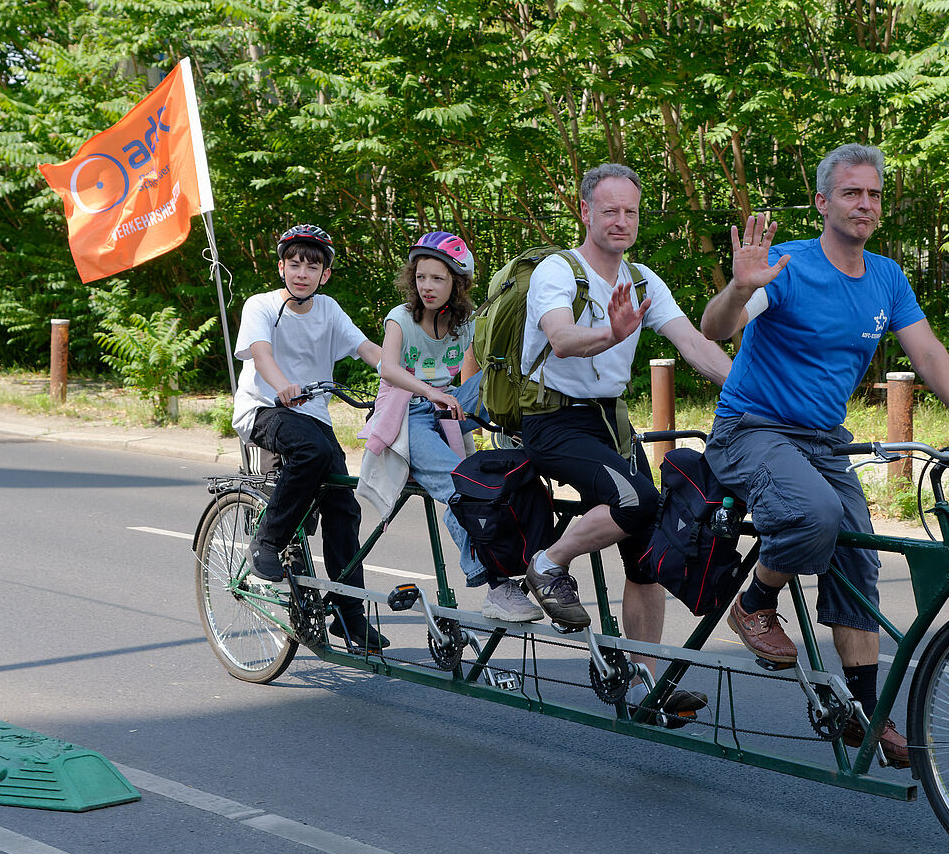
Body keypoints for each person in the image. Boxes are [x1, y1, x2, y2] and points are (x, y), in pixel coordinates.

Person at [699, 144, 949, 765]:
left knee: (859, 556)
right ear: (822, 202)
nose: (864, 204)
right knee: (815, 516)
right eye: (851, 192)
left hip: (822, 441)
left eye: (872, 194)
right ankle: (754, 603)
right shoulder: (786, 265)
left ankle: (863, 712)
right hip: (751, 430)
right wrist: (739, 288)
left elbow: (925, 354)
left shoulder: (887, 277)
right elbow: (716, 329)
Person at [519, 163, 733, 719]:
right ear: (585, 212)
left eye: (630, 212)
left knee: (648, 553)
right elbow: (561, 339)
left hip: (610, 422)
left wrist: (754, 391)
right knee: (638, 500)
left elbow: (693, 344)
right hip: (552, 420)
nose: (621, 221)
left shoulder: (641, 281)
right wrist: (609, 334)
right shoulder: (557, 271)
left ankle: (643, 682)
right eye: (609, 210)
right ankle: (547, 563)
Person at [231, 223, 388, 651]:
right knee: (311, 450)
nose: (302, 272)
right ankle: (268, 540)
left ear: (325, 275)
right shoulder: (260, 305)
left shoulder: (329, 310)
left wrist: (406, 380)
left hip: (313, 417)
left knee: (344, 506)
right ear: (281, 267)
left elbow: (368, 350)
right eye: (295, 263)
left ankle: (347, 614)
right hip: (265, 409)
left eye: (312, 266)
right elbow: (261, 353)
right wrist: (282, 384)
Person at [375, 231, 544, 623]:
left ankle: (539, 435)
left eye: (438, 278)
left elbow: (481, 374)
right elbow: (388, 368)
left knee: (499, 376)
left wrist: (488, 409)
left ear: (457, 282)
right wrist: (432, 394)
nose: (427, 287)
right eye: (421, 277)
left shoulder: (463, 324)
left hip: (447, 405)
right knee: (459, 487)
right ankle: (496, 586)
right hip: (407, 414)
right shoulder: (401, 319)